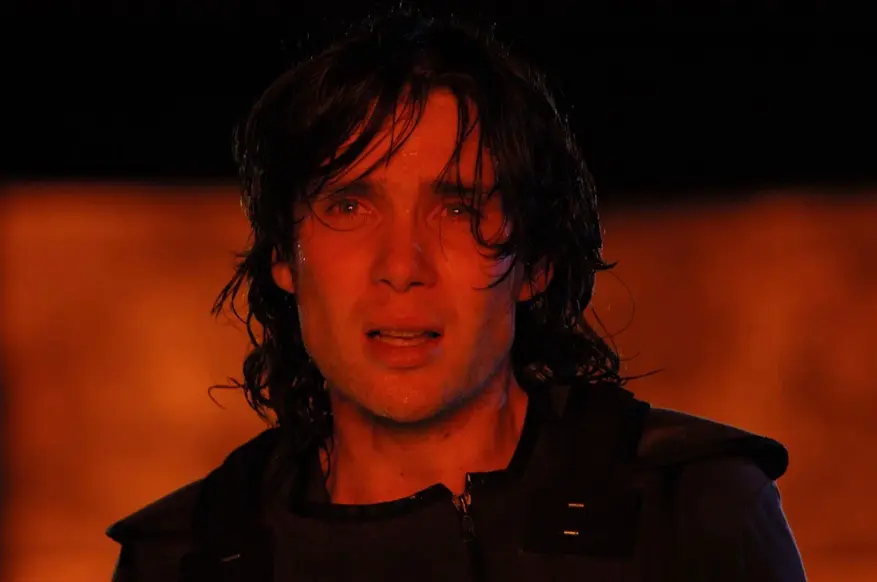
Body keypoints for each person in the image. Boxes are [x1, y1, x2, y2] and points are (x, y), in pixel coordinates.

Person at [107, 7, 807, 582]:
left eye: (456, 209)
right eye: (350, 206)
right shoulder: (184, 559)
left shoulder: (693, 514)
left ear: (535, 262)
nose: (401, 266)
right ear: (283, 258)